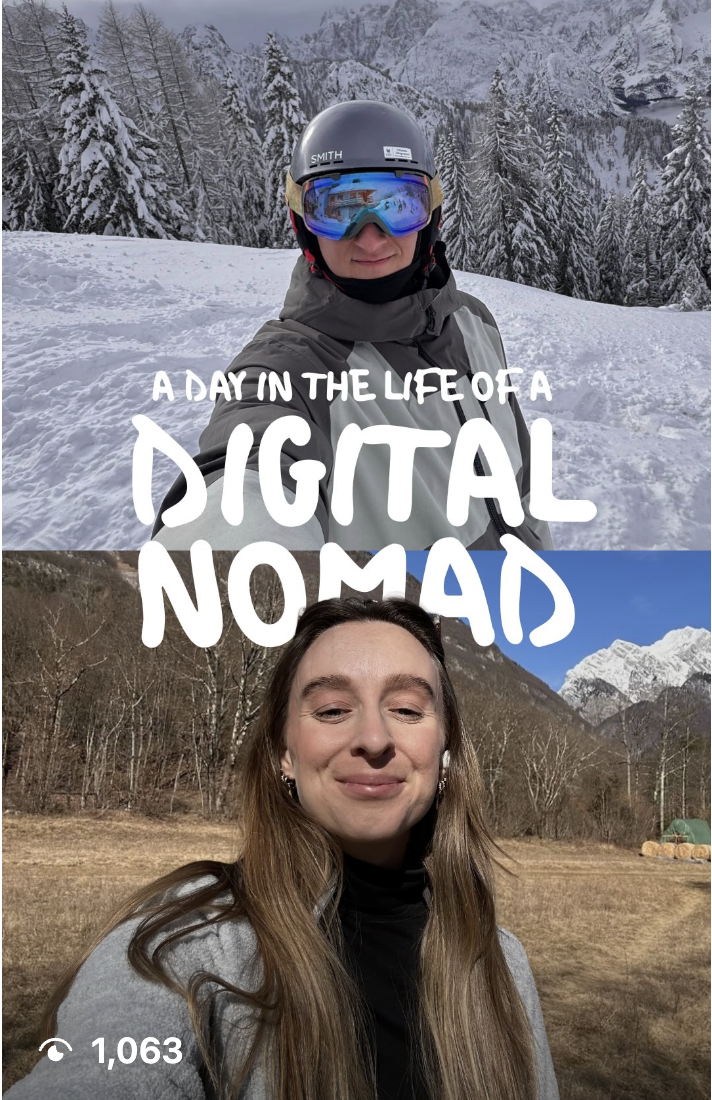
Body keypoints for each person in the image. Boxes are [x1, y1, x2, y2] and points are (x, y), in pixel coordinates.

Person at [6, 597, 559, 1100]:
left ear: (446, 756)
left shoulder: (500, 962)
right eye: (332, 710)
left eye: (409, 709)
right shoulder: (182, 947)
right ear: (284, 754)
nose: (373, 738)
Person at [152, 101, 553, 552]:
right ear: (304, 224)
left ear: (431, 214)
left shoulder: (473, 320)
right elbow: (245, 479)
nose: (369, 235)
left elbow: (522, 466)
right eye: (339, 209)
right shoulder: (292, 372)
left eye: (398, 205)